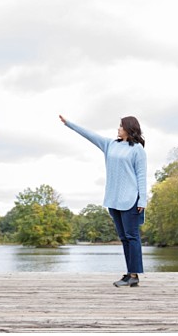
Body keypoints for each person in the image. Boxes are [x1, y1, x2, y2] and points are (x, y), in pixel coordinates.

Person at [59, 113, 150, 286]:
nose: (118, 128)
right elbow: (90, 135)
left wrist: (142, 201)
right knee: (124, 238)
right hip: (113, 200)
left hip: (130, 200)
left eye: (121, 126)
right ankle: (130, 273)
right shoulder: (110, 145)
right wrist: (69, 123)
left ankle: (134, 275)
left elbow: (141, 176)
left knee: (132, 237)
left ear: (129, 129)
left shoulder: (137, 149)